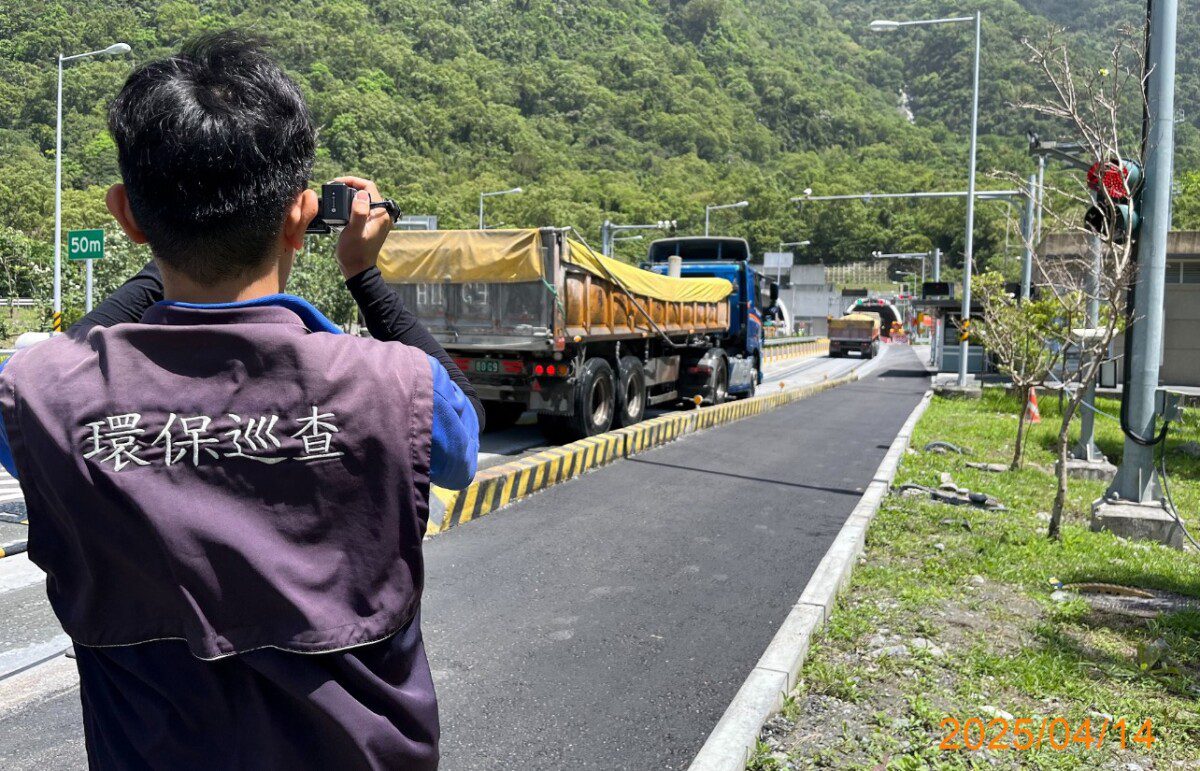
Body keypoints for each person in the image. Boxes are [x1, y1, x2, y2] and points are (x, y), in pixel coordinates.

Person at [0, 32, 480, 770]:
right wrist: (363, 276)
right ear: (301, 213)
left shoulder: (43, 397)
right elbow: (460, 442)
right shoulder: (394, 385)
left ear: (128, 215)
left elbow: (53, 367)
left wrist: (162, 267)